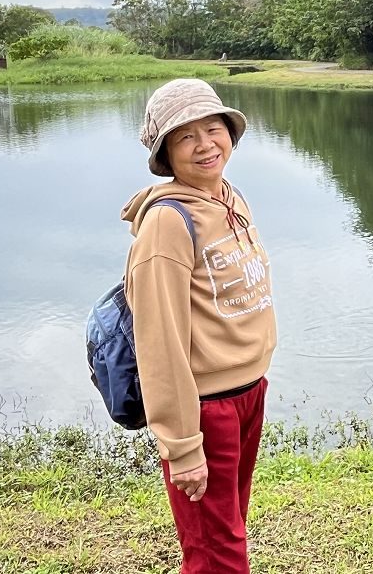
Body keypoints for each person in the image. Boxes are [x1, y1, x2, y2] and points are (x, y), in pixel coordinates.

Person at [121, 78, 276, 573]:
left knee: (228, 528)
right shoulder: (167, 223)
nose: (206, 144)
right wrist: (183, 445)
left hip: (249, 391)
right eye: (186, 136)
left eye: (214, 128)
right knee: (217, 554)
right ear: (166, 152)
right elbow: (158, 342)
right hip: (206, 409)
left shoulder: (228, 196)